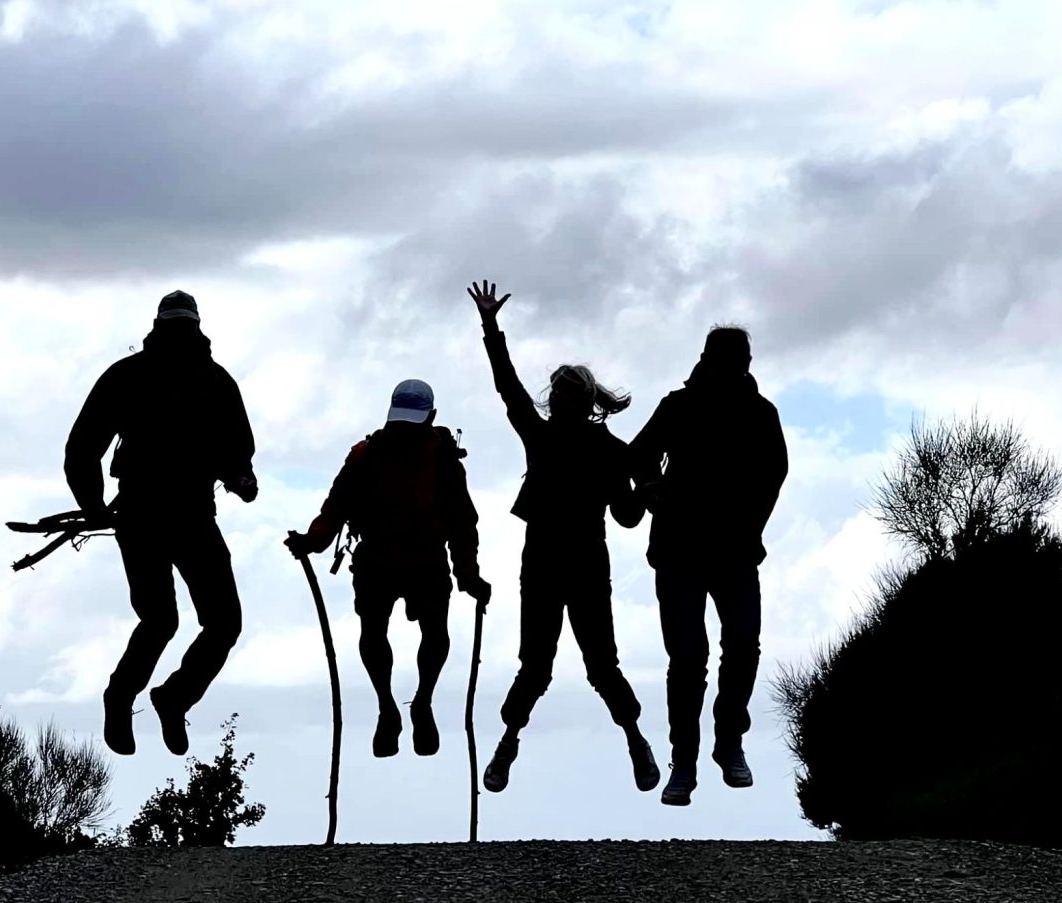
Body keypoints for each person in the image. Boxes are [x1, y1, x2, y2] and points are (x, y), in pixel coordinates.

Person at [467, 280, 660, 795]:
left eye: (558, 395)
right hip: (578, 566)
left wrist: (490, 326)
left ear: (562, 402)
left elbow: (507, 388)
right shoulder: (605, 449)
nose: (554, 401)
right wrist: (645, 486)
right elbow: (627, 517)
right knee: (594, 665)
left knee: (543, 665)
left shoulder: (549, 439)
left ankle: (511, 744)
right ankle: (634, 742)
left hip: (553, 565)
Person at [64, 291, 258, 757]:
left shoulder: (135, 376)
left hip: (168, 516)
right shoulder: (210, 380)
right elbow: (83, 449)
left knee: (184, 621)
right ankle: (136, 697)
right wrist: (92, 505)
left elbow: (82, 449)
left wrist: (240, 477)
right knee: (192, 621)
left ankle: (163, 698)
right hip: (158, 516)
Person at [286, 379, 491, 757]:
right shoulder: (428, 456)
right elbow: (462, 522)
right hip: (412, 561)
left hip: (385, 561)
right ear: (431, 415)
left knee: (384, 633)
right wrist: (467, 575)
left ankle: (397, 708)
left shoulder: (371, 453)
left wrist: (312, 542)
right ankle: (409, 706)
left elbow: (336, 506)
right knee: (425, 633)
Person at [628, 324, 788, 806]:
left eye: (735, 358)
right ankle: (686, 761)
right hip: (679, 550)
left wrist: (750, 524)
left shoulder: (760, 413)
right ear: (708, 358)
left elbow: (774, 473)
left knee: (741, 645)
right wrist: (655, 491)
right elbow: (640, 455)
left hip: (735, 551)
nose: (729, 366)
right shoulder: (678, 406)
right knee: (688, 657)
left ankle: (728, 743)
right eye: (724, 358)